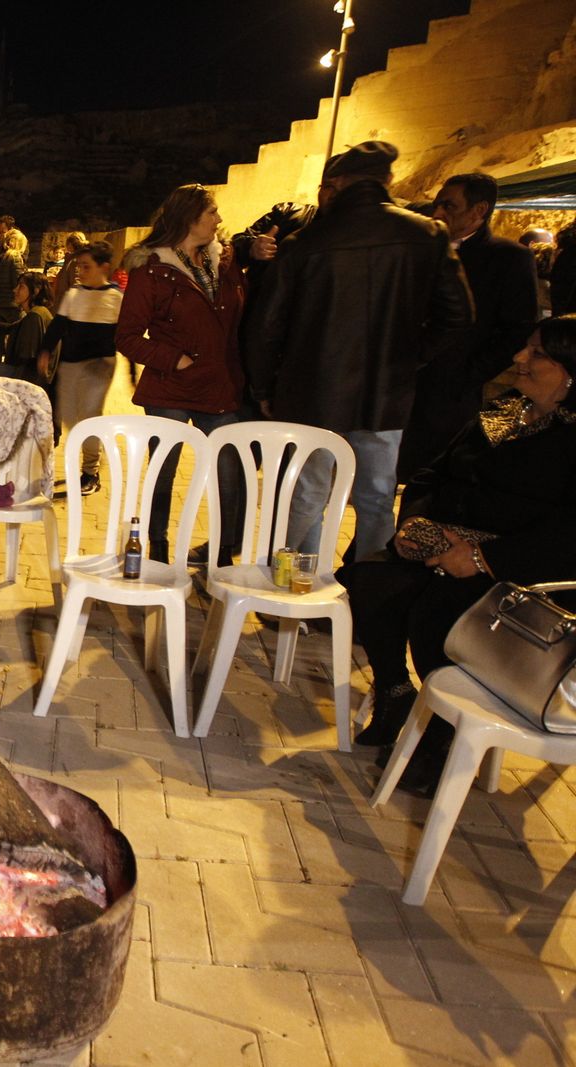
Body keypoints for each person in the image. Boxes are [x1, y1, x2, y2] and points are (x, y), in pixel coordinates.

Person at [340, 316, 576, 794]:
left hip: (518, 573)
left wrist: (485, 559)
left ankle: (441, 736)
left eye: (536, 354)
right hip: (444, 545)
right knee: (367, 580)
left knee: (436, 612)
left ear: (570, 372)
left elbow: (565, 534)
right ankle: (396, 693)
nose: (519, 359)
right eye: (524, 348)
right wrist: (413, 524)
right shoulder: (507, 409)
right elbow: (431, 475)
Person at [247, 143, 474, 562]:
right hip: (386, 395)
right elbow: (457, 317)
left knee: (308, 492)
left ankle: (281, 581)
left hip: (313, 395)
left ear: (336, 185)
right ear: (387, 181)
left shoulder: (306, 242)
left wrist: (263, 386)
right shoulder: (425, 235)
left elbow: (267, 327)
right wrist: (408, 358)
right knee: (375, 498)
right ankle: (368, 597)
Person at [116, 183, 246, 565]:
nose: (219, 220)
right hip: (169, 388)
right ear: (190, 218)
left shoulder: (224, 261)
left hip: (219, 386)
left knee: (228, 474)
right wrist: (174, 360)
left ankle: (221, 554)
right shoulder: (152, 270)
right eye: (212, 213)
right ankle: (155, 550)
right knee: (163, 473)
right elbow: (126, 337)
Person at [399, 172, 541, 480]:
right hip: (398, 385)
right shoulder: (419, 247)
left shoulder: (508, 259)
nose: (438, 213)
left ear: (479, 211)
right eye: (437, 204)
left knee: (425, 478)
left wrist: (468, 375)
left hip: (448, 394)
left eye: (449, 206)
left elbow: (517, 328)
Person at [45, 241, 123, 495]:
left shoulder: (116, 298)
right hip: (70, 363)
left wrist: (133, 370)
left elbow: (126, 335)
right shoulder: (74, 295)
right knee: (68, 415)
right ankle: (88, 456)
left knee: (89, 416)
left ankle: (91, 472)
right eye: (79, 266)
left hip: (99, 365)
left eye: (86, 266)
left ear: (104, 267)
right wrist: (45, 351)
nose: (80, 271)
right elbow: (57, 326)